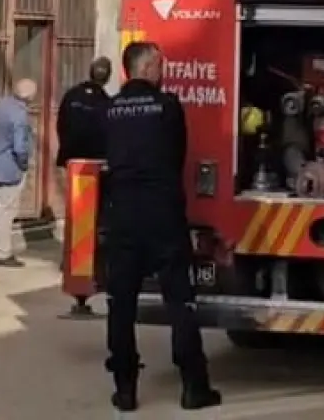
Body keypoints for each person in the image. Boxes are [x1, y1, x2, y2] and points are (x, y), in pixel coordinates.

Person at [102, 40, 219, 412]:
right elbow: (177, 155)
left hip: (122, 214)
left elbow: (103, 155)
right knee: (180, 300)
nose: (163, 71)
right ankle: (193, 387)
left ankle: (125, 390)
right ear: (147, 67)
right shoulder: (167, 107)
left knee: (121, 304)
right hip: (162, 214)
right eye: (160, 65)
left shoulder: (110, 109)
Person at [56, 57, 112, 315]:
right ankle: (91, 269)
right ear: (107, 77)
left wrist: (68, 154)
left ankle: (73, 266)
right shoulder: (106, 103)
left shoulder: (71, 97)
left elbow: (61, 125)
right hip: (97, 169)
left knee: (75, 217)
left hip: (73, 166)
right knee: (95, 221)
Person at [0, 78, 37, 268]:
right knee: (7, 210)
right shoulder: (20, 115)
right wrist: (24, 164)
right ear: (30, 96)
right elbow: (20, 147)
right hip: (9, 167)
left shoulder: (2, 103)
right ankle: (3, 253)